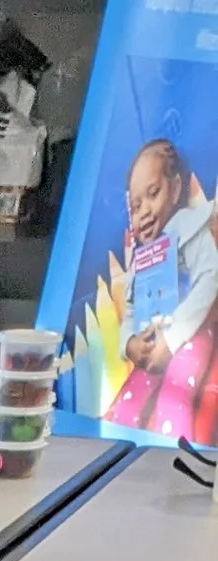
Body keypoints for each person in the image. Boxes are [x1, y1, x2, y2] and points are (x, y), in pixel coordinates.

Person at [110, 137, 218, 440]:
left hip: (191, 336)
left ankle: (171, 456)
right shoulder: (145, 254)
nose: (143, 211)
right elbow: (130, 307)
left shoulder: (188, 228)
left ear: (176, 189)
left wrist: (171, 341)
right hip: (151, 339)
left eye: (153, 193)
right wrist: (129, 343)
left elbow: (210, 279)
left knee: (177, 392)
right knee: (130, 399)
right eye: (135, 205)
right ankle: (115, 452)